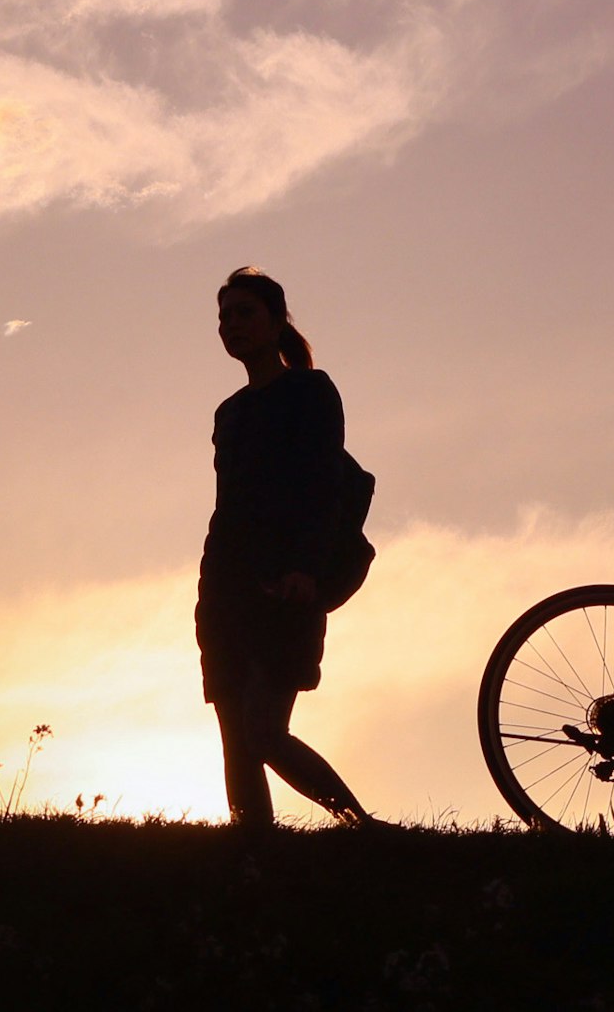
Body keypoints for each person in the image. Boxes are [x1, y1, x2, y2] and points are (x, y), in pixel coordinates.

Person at [199, 267, 367, 831]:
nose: (232, 325)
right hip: (226, 587)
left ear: (277, 322)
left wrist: (305, 567)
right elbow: (228, 507)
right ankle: (255, 851)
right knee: (236, 742)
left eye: (245, 312)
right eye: (224, 316)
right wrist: (210, 589)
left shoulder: (310, 391)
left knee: (265, 730)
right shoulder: (229, 412)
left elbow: (323, 485)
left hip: (287, 584)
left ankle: (359, 826)